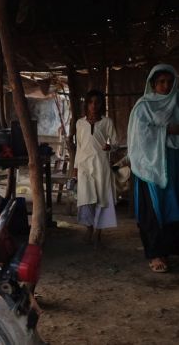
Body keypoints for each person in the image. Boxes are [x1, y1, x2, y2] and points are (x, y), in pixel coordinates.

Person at [128, 64, 179, 273]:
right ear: (153, 84)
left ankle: (169, 250)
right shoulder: (144, 106)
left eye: (169, 82)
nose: (166, 86)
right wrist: (168, 131)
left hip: (172, 162)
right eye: (161, 82)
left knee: (172, 206)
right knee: (153, 209)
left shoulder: (177, 103)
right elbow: (140, 135)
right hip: (149, 165)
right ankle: (155, 254)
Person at [74, 90, 118, 246]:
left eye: (97, 102)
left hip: (101, 166)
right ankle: (89, 228)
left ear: (101, 105)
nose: (94, 105)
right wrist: (75, 167)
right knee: (86, 198)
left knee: (101, 198)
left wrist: (110, 147)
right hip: (84, 166)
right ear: (86, 104)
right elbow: (79, 147)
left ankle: (98, 232)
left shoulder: (107, 122)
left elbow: (115, 143)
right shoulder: (80, 123)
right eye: (91, 102)